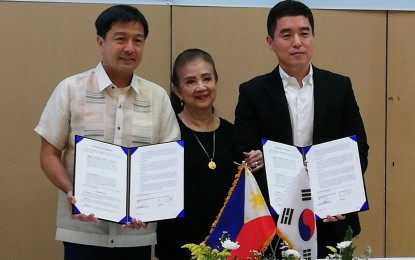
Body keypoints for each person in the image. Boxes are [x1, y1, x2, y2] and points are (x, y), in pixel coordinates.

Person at [34, 5, 180, 260]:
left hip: (137, 234)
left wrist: (152, 205)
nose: (129, 48)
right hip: (82, 230)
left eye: (138, 40)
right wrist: (72, 192)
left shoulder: (158, 97)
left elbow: (168, 164)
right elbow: (49, 153)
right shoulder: (70, 89)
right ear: (101, 42)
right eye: (120, 38)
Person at [233, 0, 369, 258]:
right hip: (275, 219)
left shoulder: (339, 87)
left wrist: (339, 198)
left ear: (313, 37)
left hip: (331, 215)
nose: (297, 41)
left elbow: (358, 149)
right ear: (270, 42)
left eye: (304, 33)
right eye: (286, 34)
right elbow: (244, 155)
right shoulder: (253, 92)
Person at [156, 48, 264, 259]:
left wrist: (257, 163)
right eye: (190, 82)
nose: (201, 87)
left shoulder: (235, 134)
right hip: (177, 244)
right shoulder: (167, 133)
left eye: (207, 78)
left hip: (228, 246)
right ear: (177, 90)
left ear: (216, 80)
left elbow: (247, 191)